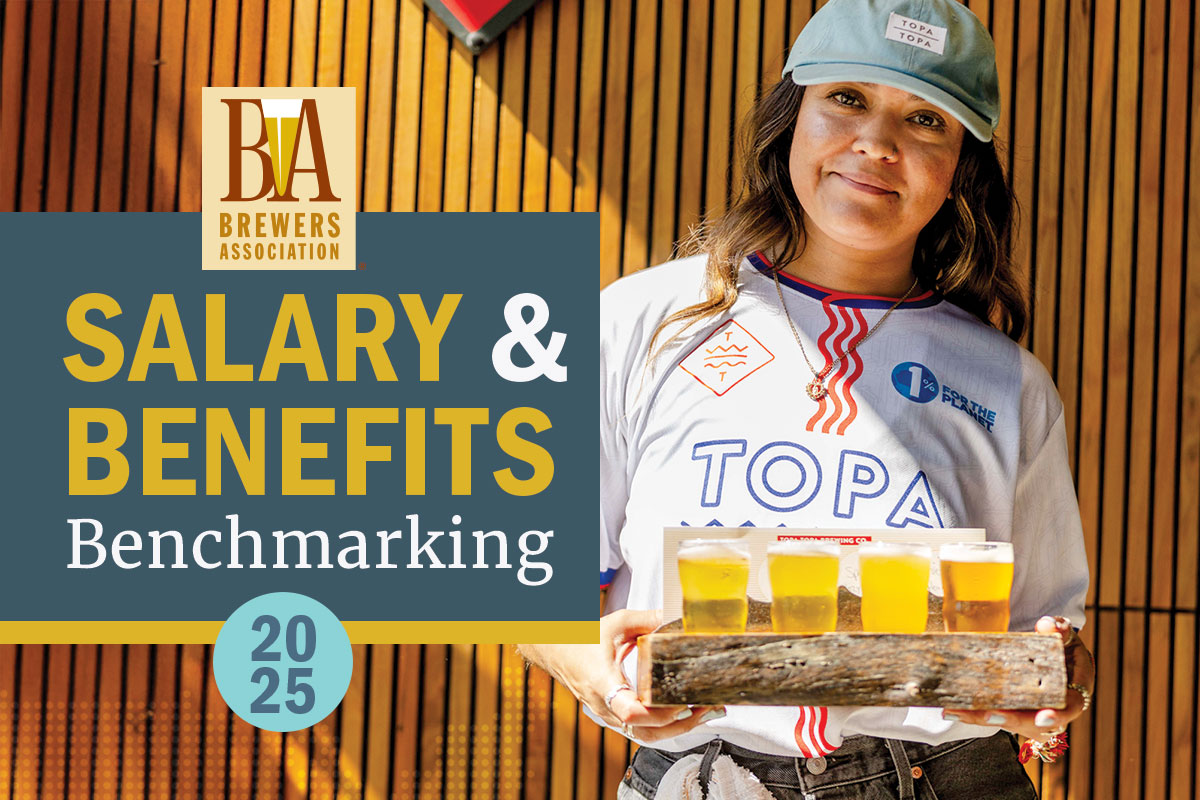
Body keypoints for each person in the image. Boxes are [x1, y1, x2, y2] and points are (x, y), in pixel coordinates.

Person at [519, 0, 1095, 796]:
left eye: (925, 119)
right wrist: (595, 672)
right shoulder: (640, 321)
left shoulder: (1010, 385)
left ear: (962, 165)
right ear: (791, 118)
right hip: (699, 775)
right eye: (847, 98)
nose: (877, 144)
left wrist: (1056, 684)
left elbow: (1046, 645)